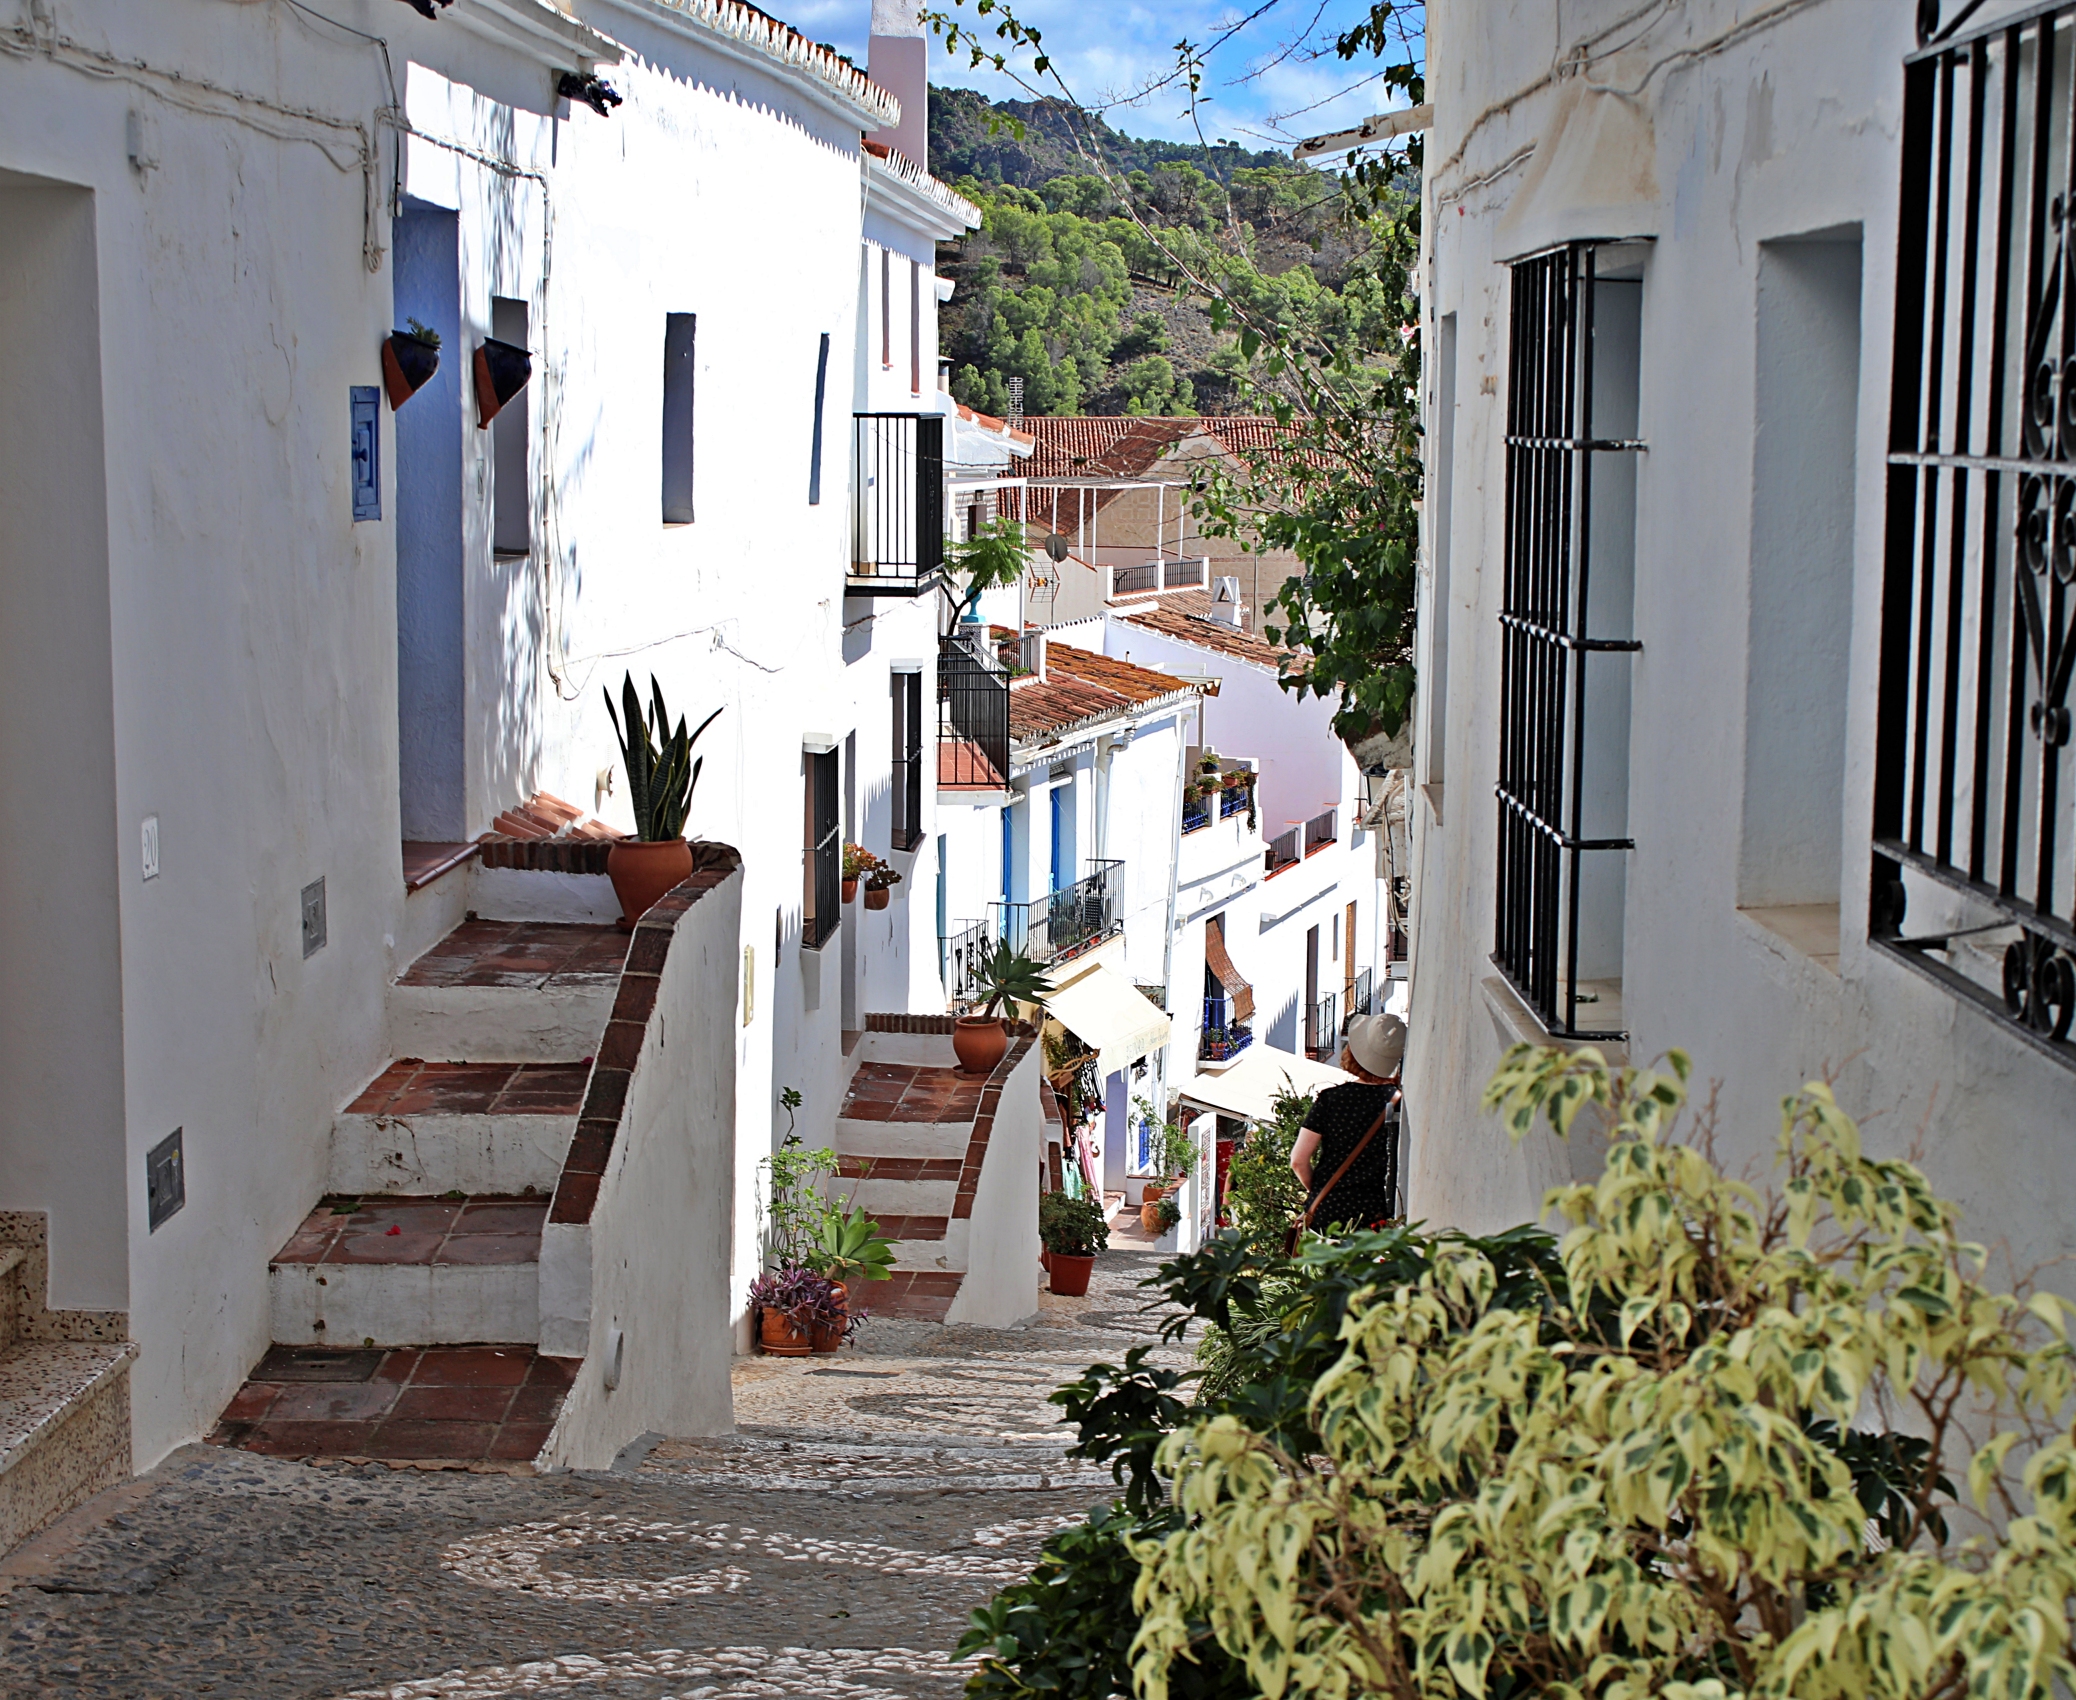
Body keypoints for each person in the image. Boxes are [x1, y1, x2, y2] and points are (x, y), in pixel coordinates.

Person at [1289, 1013, 1405, 1233]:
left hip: (1328, 1213)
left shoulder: (1331, 1099)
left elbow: (1298, 1160)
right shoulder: (1398, 1102)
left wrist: (1320, 1193)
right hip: (1374, 1214)